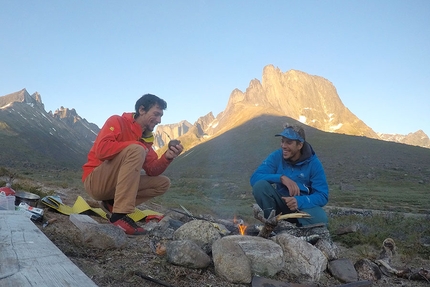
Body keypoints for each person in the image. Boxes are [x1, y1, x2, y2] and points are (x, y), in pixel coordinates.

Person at [82, 94, 183, 235]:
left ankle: (112, 203)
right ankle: (119, 216)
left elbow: (152, 170)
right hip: (96, 181)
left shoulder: (145, 138)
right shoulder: (117, 121)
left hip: (113, 187)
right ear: (142, 110)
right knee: (136, 149)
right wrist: (136, 145)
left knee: (163, 183)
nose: (159, 120)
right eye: (156, 114)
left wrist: (167, 157)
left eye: (161, 116)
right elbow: (102, 150)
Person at [250, 123, 329, 226]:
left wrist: (299, 201)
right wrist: (281, 178)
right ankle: (271, 224)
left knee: (320, 219)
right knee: (260, 186)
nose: (283, 146)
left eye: (289, 142)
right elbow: (254, 178)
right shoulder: (277, 156)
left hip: (302, 207)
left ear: (300, 145)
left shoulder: (313, 163)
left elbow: (322, 195)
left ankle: (300, 228)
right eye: (282, 141)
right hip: (281, 203)